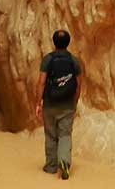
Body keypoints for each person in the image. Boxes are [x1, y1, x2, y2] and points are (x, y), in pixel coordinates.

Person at [34, 29, 83, 179]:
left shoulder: (48, 60)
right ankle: (64, 163)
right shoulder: (74, 61)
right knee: (65, 135)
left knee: (51, 135)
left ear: (54, 42)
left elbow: (41, 82)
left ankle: (51, 166)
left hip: (50, 104)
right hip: (67, 105)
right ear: (68, 42)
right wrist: (74, 102)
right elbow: (79, 85)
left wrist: (38, 103)